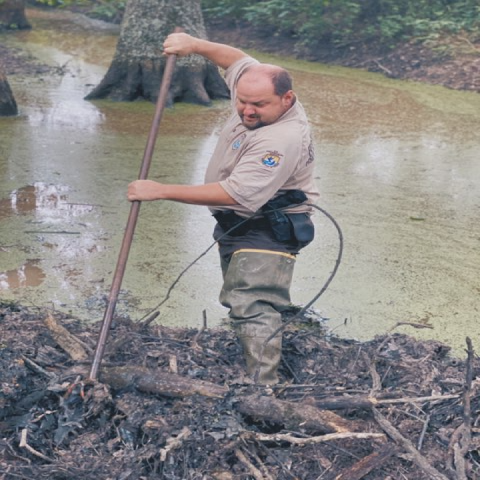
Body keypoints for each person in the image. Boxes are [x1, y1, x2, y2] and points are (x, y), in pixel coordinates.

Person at [127, 33, 319, 384]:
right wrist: (194, 45)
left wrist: (160, 191)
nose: (247, 110)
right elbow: (236, 59)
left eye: (258, 105)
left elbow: (236, 195)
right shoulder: (258, 90)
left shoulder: (279, 139)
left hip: (269, 226)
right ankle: (257, 355)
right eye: (242, 101)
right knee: (239, 297)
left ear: (286, 99)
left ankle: (263, 388)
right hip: (240, 224)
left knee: (253, 304)